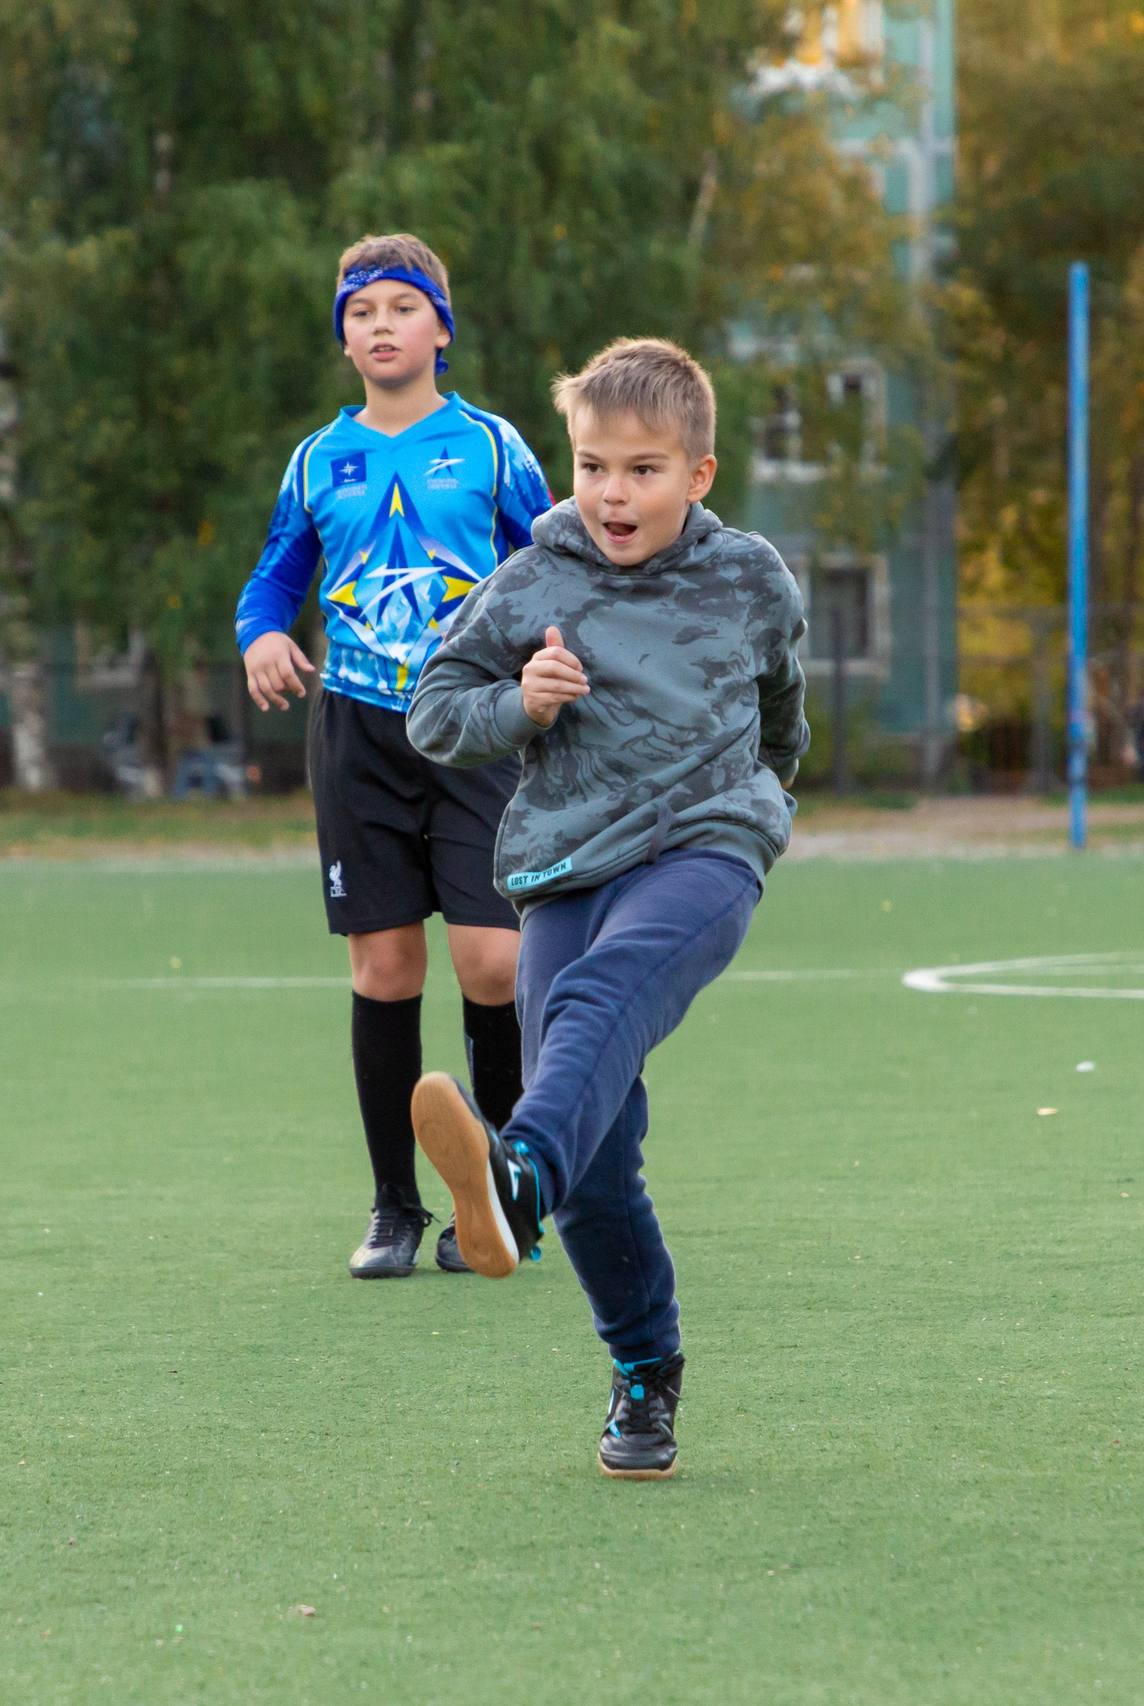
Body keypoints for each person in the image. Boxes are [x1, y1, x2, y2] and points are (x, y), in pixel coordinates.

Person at [405, 337, 809, 1477]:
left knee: (592, 1008)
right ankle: (642, 1373)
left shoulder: (752, 578)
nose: (612, 494)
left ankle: (512, 1175)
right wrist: (520, 705)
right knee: (601, 1150)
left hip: (703, 845)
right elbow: (437, 708)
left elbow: (783, 711)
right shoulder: (533, 579)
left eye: (641, 470)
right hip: (565, 862)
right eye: (591, 467)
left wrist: (766, 798)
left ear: (699, 473)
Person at [236, 233, 555, 1279]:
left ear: (440, 329)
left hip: (474, 723)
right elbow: (275, 576)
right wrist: (263, 635)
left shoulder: (496, 444)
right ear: (343, 338)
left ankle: (505, 1194)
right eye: (360, 311)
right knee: (383, 967)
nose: (379, 326)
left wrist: (552, 662)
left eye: (399, 307)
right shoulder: (317, 457)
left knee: (494, 960)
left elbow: (555, 563)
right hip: (359, 727)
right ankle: (394, 1207)